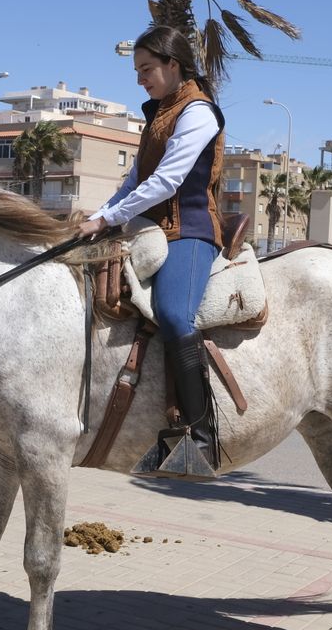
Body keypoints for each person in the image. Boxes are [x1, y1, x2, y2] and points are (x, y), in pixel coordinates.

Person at [77, 25, 225, 476]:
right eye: (137, 71)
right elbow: (134, 182)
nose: (140, 79)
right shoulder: (161, 113)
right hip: (151, 227)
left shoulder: (198, 112)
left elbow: (166, 182)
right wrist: (97, 218)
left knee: (175, 314)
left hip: (190, 230)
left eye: (146, 69)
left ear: (172, 65)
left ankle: (200, 438)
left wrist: (109, 219)